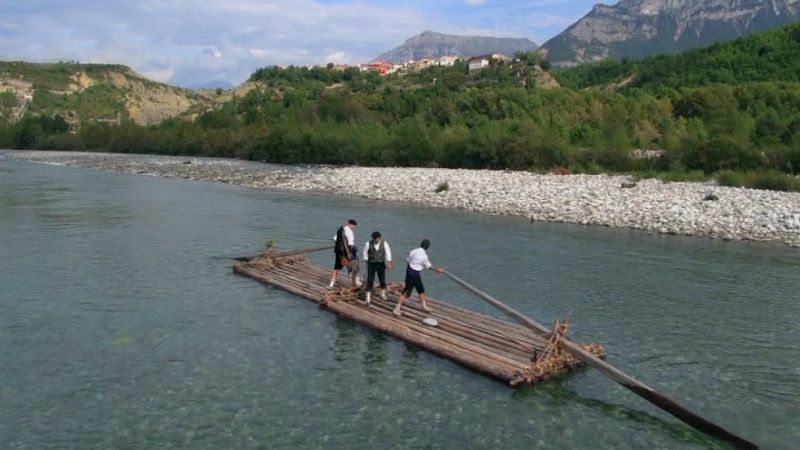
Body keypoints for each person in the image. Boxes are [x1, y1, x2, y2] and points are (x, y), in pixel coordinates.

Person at [393, 239, 443, 317]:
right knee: (406, 291)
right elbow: (429, 266)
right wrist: (437, 270)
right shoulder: (424, 256)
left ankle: (424, 306)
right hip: (414, 274)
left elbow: (408, 261)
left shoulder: (413, 251)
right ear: (427, 247)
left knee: (420, 289)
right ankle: (397, 308)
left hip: (410, 271)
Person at [359, 231, 393, 305]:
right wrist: (366, 261)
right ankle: (368, 298)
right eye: (374, 239)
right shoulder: (368, 243)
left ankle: (383, 294)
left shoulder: (384, 243)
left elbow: (388, 253)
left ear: (380, 238)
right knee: (370, 280)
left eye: (377, 239)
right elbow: (365, 253)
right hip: (371, 264)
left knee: (382, 280)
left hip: (381, 263)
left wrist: (389, 263)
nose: (375, 240)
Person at [329, 219, 360, 289]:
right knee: (355, 266)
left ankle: (332, 283)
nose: (354, 228)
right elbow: (351, 245)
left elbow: (334, 239)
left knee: (337, 267)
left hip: (338, 251)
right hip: (346, 253)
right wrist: (355, 252)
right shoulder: (350, 232)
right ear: (351, 225)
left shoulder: (341, 229)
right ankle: (357, 282)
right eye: (354, 226)